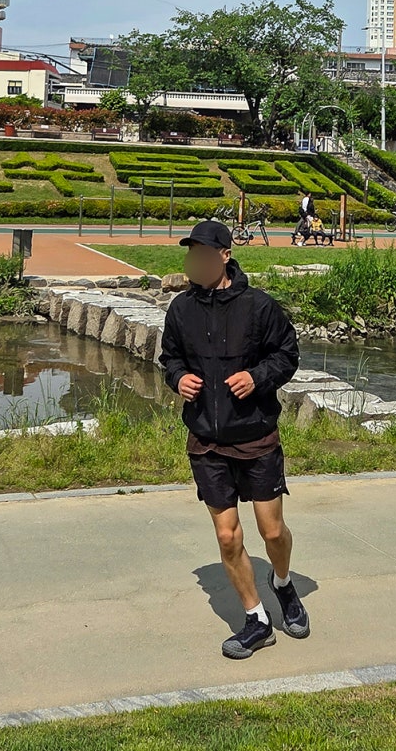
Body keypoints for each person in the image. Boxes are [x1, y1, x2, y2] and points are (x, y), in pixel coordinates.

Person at [158, 220, 309, 659]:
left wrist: (257, 377)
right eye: (191, 255)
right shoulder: (181, 309)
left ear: (224, 256)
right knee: (228, 537)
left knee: (272, 531)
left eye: (204, 254)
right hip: (206, 439)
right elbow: (170, 358)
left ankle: (282, 583)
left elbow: (287, 354)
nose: (195, 262)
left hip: (256, 435)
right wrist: (178, 378)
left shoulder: (259, 307)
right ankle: (256, 620)